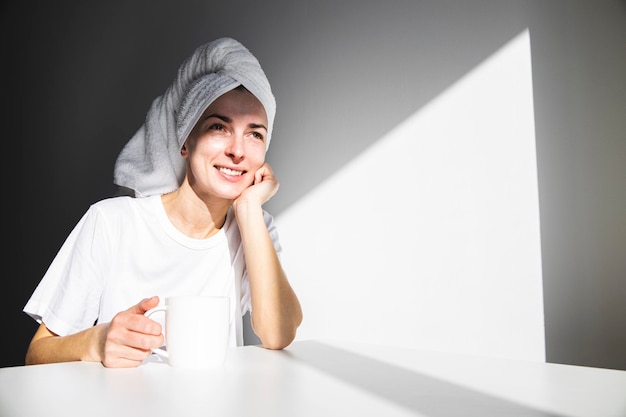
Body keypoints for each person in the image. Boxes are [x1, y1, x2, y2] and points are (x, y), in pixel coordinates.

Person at [23, 37, 302, 368]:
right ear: (185, 142)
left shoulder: (253, 228)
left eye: (255, 134)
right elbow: (35, 356)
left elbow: (278, 334)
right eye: (218, 127)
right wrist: (96, 342)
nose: (238, 151)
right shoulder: (111, 222)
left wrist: (249, 209)